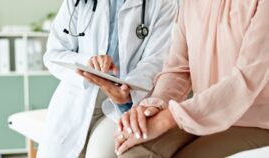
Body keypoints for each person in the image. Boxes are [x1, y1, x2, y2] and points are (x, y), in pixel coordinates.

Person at [115, 0, 269, 157]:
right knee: (133, 152)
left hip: (254, 123)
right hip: (200, 114)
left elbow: (244, 82)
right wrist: (153, 106)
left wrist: (168, 118)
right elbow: (178, 69)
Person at [37, 0, 178, 157]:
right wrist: (88, 63)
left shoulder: (163, 3)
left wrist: (128, 91)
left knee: (101, 153)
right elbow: (53, 54)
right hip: (77, 99)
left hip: (123, 105)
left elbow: (156, 60)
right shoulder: (76, 2)